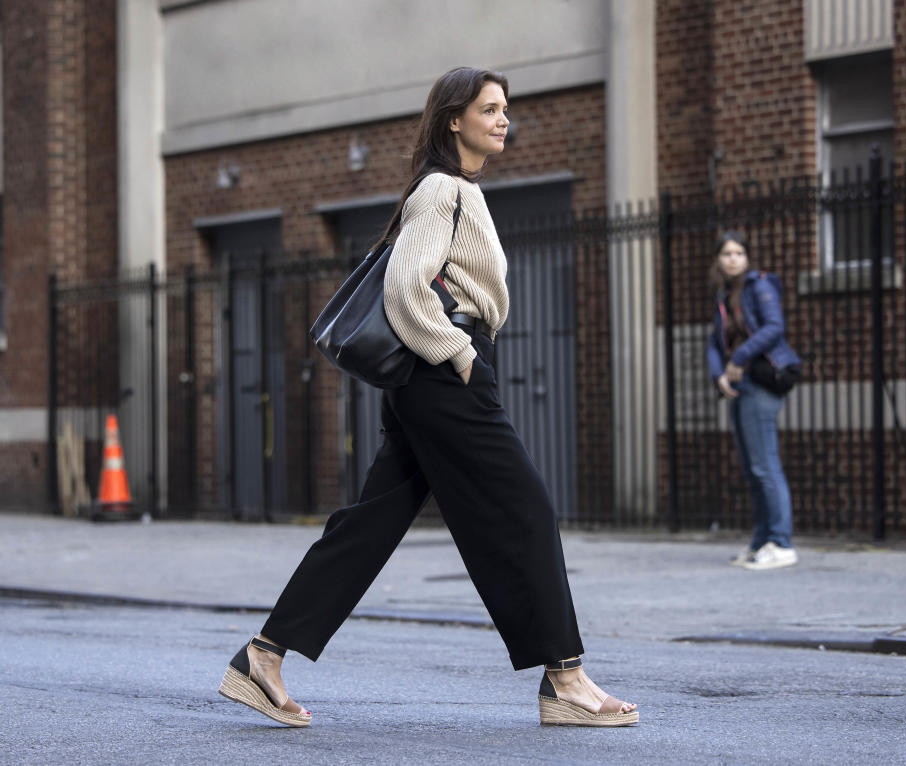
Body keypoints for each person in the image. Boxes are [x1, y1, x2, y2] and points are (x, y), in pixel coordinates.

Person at [218, 67, 637, 728]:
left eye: (506, 109)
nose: (504, 119)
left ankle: (262, 657)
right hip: (444, 375)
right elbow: (407, 289)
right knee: (525, 508)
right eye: (490, 109)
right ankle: (567, 679)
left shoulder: (455, 189)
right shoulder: (443, 189)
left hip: (428, 380)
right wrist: (462, 355)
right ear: (454, 119)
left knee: (372, 522)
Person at [706, 231, 802, 571]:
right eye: (726, 253)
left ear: (747, 258)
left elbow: (774, 327)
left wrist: (739, 359)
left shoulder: (759, 286)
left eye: (739, 253)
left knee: (765, 465)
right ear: (718, 259)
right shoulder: (723, 295)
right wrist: (719, 372)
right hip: (739, 384)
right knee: (752, 468)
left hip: (760, 382)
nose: (732, 258)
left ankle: (781, 542)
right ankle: (762, 543)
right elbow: (714, 342)